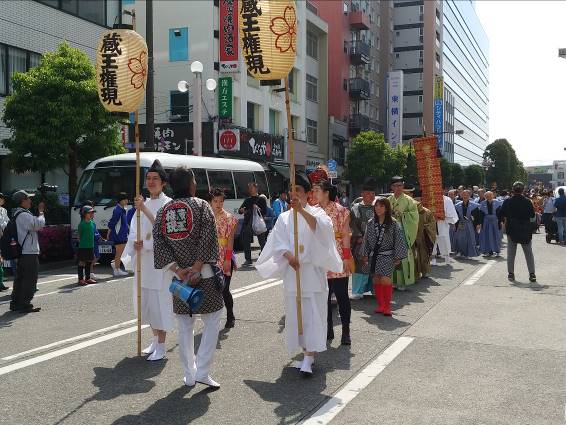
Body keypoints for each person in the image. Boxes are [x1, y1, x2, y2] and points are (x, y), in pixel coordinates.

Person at [256, 174, 342, 376]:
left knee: (312, 316)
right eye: (292, 191)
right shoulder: (284, 218)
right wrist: (288, 255)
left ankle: (310, 356)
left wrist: (301, 211)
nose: (294, 195)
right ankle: (305, 353)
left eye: (299, 191)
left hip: (311, 274)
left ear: (308, 194)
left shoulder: (318, 213)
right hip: (293, 273)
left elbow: (322, 231)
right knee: (297, 317)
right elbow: (277, 241)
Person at [153, 166, 223, 388]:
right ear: (192, 184)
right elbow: (208, 236)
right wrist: (198, 265)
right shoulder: (202, 205)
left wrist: (177, 269)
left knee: (185, 325)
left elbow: (159, 242)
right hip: (204, 275)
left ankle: (189, 373)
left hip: (179, 279)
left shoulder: (164, 211)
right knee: (212, 319)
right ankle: (202, 370)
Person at [124, 160, 173, 362]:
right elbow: (134, 231)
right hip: (143, 262)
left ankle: (162, 344)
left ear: (163, 183)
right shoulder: (139, 205)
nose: (151, 182)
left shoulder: (168, 204)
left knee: (160, 303)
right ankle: (155, 339)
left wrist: (144, 209)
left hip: (160, 263)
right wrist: (135, 244)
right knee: (146, 304)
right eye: (148, 178)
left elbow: (164, 231)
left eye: (155, 179)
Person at [312, 180, 352, 345]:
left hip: (337, 256)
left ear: (326, 192)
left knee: (342, 296)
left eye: (317, 190)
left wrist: (347, 257)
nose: (314, 194)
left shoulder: (341, 211)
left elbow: (345, 235)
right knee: (324, 297)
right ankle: (327, 329)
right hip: (320, 259)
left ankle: (346, 331)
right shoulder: (313, 211)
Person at [361, 197, 408, 316]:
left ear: (387, 208)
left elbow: (399, 239)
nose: (378, 208)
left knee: (386, 279)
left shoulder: (393, 223)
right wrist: (365, 254)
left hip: (387, 255)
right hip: (374, 255)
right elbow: (366, 239)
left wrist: (398, 256)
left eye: (381, 206)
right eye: (376, 206)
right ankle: (380, 305)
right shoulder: (371, 222)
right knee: (376, 279)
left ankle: (387, 306)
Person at [9, 190, 45, 313]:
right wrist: (41, 212)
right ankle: (25, 304)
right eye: (28, 198)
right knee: (30, 279)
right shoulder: (23, 215)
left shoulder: (20, 213)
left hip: (23, 252)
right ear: (22, 200)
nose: (30, 201)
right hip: (28, 252)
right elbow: (38, 225)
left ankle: (15, 303)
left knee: (20, 278)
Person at [210, 188, 238, 329]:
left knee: (225, 289)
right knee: (213, 290)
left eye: (221, 201)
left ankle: (230, 315)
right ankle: (213, 320)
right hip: (210, 257)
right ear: (211, 201)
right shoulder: (206, 216)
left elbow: (230, 241)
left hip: (225, 255)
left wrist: (228, 259)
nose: (218, 204)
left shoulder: (229, 218)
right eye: (215, 201)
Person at [498, 181, 537, 282]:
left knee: (511, 254)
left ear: (513, 189)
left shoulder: (507, 201)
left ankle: (511, 274)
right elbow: (532, 215)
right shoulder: (528, 201)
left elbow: (501, 214)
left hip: (512, 229)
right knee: (528, 253)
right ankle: (532, 274)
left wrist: (505, 221)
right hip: (525, 229)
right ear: (523, 190)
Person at [387, 176, 419, 289]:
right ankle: (391, 281)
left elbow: (414, 216)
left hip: (404, 231)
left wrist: (402, 215)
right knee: (390, 255)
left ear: (403, 186)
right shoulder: (388, 200)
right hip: (390, 232)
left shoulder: (409, 200)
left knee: (403, 257)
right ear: (391, 187)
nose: (398, 188)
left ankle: (403, 282)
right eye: (395, 186)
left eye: (400, 185)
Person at [350, 178, 377, 299]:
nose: (370, 196)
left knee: (374, 266)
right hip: (361, 242)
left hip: (375, 242)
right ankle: (357, 291)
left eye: (373, 194)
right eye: (367, 193)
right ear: (362, 194)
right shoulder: (356, 208)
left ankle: (372, 289)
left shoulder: (377, 207)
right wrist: (359, 237)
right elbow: (352, 224)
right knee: (360, 266)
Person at [238, 182, 268, 266]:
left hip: (258, 223)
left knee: (262, 241)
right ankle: (248, 259)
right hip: (248, 223)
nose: (249, 190)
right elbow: (240, 211)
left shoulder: (261, 199)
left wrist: (258, 208)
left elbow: (265, 212)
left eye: (251, 188)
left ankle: (265, 257)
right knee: (246, 240)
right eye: (249, 188)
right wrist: (242, 210)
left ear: (256, 188)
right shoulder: (247, 200)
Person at [431, 193, 458, 266]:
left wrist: (440, 216)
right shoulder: (429, 198)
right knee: (432, 241)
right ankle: (433, 259)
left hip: (442, 223)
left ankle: (447, 258)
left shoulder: (446, 199)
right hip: (432, 223)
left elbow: (450, 213)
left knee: (444, 240)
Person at [453, 190, 481, 258]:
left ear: (469, 196)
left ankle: (468, 253)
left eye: (467, 195)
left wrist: (478, 224)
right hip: (460, 224)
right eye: (463, 195)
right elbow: (456, 216)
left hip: (470, 224)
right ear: (461, 195)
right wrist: (454, 224)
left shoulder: (474, 205)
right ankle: (460, 252)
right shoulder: (457, 205)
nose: (465, 196)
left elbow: (477, 216)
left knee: (470, 239)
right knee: (460, 238)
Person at [108, 193, 130, 277]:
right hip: (118, 234)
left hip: (122, 234)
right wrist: (109, 233)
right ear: (121, 200)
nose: (127, 201)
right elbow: (112, 222)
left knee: (120, 252)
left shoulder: (122, 209)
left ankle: (115, 266)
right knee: (119, 253)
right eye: (125, 199)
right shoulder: (118, 210)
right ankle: (116, 270)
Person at [414, 202, 436, 278]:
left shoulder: (427, 212)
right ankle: (415, 273)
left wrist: (425, 226)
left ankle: (424, 271)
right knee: (414, 255)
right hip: (412, 235)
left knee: (424, 254)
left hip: (423, 236)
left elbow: (433, 223)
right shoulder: (410, 211)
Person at [77, 206, 97, 286]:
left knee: (89, 261)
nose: (92, 214)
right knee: (82, 262)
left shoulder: (92, 223)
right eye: (90, 212)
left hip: (90, 246)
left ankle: (88, 278)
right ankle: (80, 279)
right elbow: (79, 236)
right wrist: (82, 242)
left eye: (92, 212)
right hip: (83, 247)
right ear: (84, 214)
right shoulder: (81, 224)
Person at [478, 191, 502, 257]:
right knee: (486, 236)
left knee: (496, 235)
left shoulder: (497, 202)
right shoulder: (482, 203)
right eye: (487, 196)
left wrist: (500, 222)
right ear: (485, 197)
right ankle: (488, 251)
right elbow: (481, 214)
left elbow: (500, 214)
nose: (489, 197)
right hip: (486, 221)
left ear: (492, 196)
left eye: (490, 195)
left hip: (495, 220)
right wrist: (480, 223)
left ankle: (497, 251)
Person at [0, 193, 9, 291]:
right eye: (2, 198)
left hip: (3, 237)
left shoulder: (4, 210)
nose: (3, 200)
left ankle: (1, 282)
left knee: (1, 260)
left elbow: (7, 222)